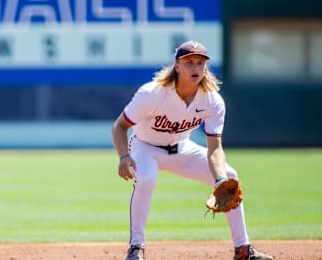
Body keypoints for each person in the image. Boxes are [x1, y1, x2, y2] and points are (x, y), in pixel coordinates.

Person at [111, 40, 273, 260]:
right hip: (145, 147)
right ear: (177, 66)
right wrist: (123, 157)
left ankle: (243, 249)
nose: (196, 67)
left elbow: (215, 149)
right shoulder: (152, 93)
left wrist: (219, 180)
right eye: (189, 63)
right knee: (147, 178)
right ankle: (136, 247)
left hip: (182, 148)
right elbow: (120, 126)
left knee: (230, 177)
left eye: (200, 63)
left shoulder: (213, 100)